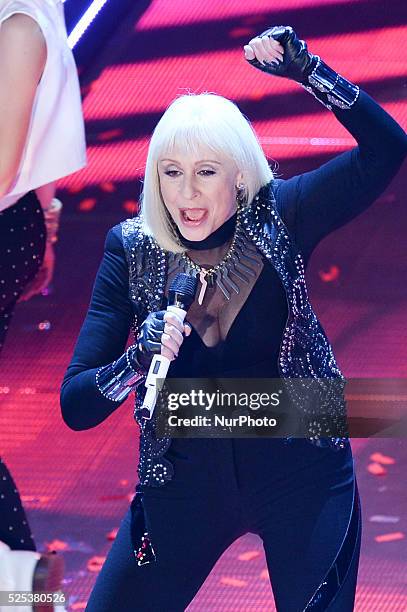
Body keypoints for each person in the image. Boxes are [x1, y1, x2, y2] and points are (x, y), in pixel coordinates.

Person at [60, 25, 406, 611]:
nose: (187, 195)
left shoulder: (284, 212)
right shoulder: (132, 246)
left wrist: (308, 71)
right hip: (182, 483)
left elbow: (388, 149)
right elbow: (76, 404)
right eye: (171, 173)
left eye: (207, 172)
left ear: (241, 176)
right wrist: (136, 361)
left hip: (302, 472)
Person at [0, 0, 86, 603]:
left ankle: (27, 596)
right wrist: (49, 222)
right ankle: (28, 595)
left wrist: (44, 225)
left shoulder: (20, 25)